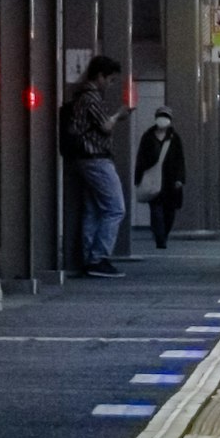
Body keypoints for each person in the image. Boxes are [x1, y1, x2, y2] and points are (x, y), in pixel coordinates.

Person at [62, 54, 128, 278]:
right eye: (110, 80)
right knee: (115, 208)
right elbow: (105, 126)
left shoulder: (79, 96)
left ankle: (88, 257)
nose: (110, 85)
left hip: (83, 158)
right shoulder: (91, 98)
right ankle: (99, 257)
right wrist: (119, 114)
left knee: (93, 209)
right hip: (96, 158)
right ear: (100, 76)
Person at [132, 104, 187, 249]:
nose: (163, 120)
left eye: (166, 117)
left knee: (169, 212)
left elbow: (180, 159)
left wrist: (180, 179)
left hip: (171, 180)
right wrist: (138, 177)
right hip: (152, 179)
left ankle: (164, 234)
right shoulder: (148, 136)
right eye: (161, 117)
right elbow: (141, 157)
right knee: (156, 211)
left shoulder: (174, 138)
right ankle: (160, 239)